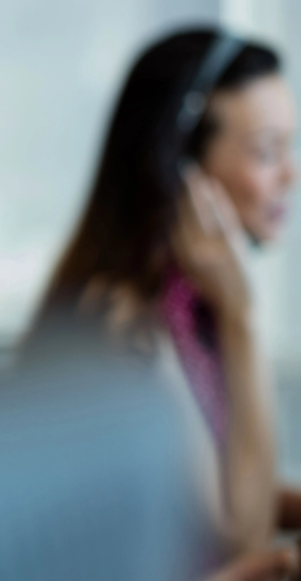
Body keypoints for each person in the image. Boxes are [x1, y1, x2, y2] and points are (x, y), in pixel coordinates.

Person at [22, 29, 299, 580]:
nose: (290, 175)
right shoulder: (124, 321)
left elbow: (220, 479)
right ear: (180, 166)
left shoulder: (193, 300)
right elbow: (238, 533)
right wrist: (243, 317)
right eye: (267, 152)